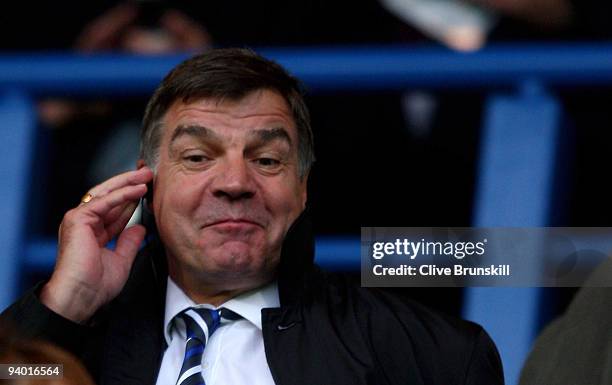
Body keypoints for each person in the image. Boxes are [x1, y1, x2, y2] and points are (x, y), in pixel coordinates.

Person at [1, 48, 503, 385]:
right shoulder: (68, 348)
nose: (236, 183)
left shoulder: (427, 359)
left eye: (266, 160)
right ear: (146, 186)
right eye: (198, 158)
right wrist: (64, 308)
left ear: (302, 189)